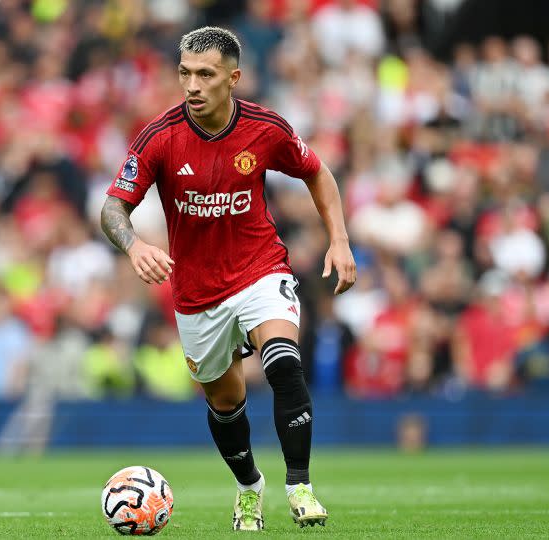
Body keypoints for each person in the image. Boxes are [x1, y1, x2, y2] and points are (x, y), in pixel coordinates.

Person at [100, 27, 356, 531]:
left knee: (284, 362)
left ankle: (299, 486)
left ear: (233, 78)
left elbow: (317, 172)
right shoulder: (160, 137)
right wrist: (135, 244)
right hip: (196, 292)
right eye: (185, 74)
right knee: (225, 402)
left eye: (205, 74)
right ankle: (249, 488)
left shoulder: (265, 129)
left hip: (260, 269)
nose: (192, 85)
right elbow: (114, 207)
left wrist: (340, 239)